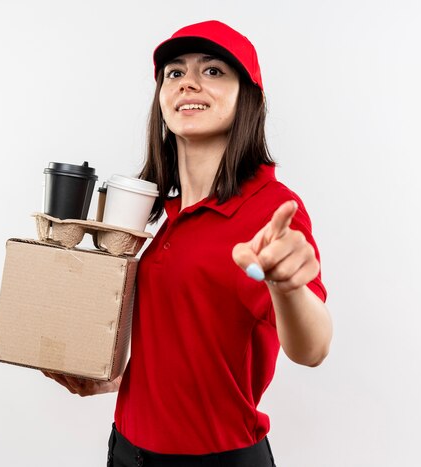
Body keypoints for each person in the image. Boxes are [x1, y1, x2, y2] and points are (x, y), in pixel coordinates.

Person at [43, 20, 333, 466]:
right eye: (174, 73)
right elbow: (184, 342)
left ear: (247, 98)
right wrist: (116, 377)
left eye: (213, 70)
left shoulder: (268, 209)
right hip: (127, 450)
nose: (188, 82)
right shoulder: (155, 211)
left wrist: (287, 285)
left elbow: (312, 349)